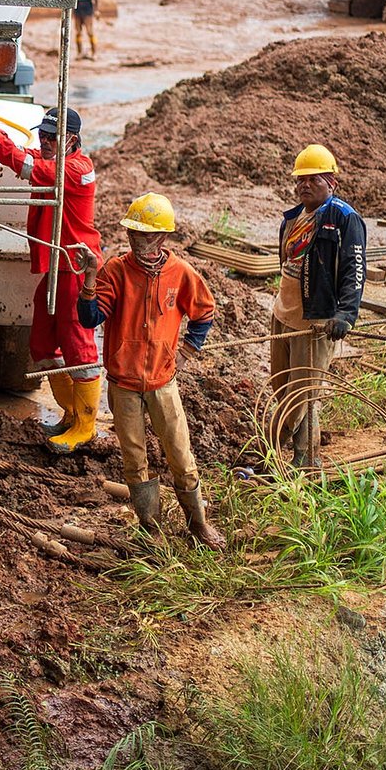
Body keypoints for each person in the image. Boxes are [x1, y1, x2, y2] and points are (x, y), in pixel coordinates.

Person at [71, 193, 225, 550]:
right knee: (134, 457)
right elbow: (90, 318)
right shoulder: (116, 270)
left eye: (144, 234)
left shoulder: (180, 273)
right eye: (132, 233)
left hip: (162, 382)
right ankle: (150, 528)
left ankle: (198, 524)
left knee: (181, 455)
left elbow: (204, 312)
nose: (136, 240)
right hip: (123, 383)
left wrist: (188, 349)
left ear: (162, 237)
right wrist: (90, 279)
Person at [0, 92, 103, 452]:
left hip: (75, 268)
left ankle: (86, 425)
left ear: (71, 140)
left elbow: (30, 168)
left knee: (80, 347)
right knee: (42, 344)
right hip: (55, 267)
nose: (44, 141)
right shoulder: (55, 163)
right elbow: (25, 159)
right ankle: (71, 413)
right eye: (42, 135)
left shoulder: (76, 170)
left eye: (51, 137)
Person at [271, 144, 366, 469]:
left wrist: (345, 314)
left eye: (314, 179)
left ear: (332, 183)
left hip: (314, 322)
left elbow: (355, 268)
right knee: (283, 388)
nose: (305, 185)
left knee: (303, 395)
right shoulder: (292, 218)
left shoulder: (344, 218)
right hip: (283, 315)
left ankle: (288, 455)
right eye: (301, 180)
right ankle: (298, 455)